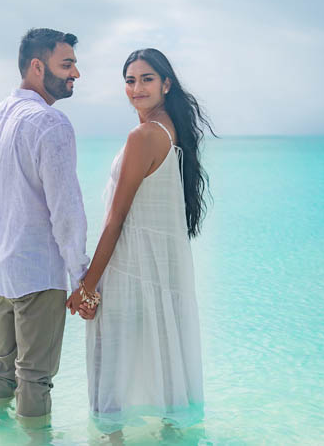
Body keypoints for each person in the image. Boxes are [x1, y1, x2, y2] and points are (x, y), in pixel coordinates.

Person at [67, 48, 214, 433]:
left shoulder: (145, 134)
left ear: (166, 84)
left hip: (130, 270)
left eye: (147, 78)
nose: (136, 87)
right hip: (159, 271)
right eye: (130, 80)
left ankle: (110, 441)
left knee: (109, 371)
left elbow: (117, 219)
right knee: (167, 369)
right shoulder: (171, 128)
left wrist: (88, 285)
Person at [0, 27, 90, 423]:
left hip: (0, 269)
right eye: (67, 64)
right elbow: (66, 210)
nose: (76, 73)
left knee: (3, 369)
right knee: (35, 379)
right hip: (37, 272)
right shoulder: (50, 123)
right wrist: (82, 277)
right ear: (38, 67)